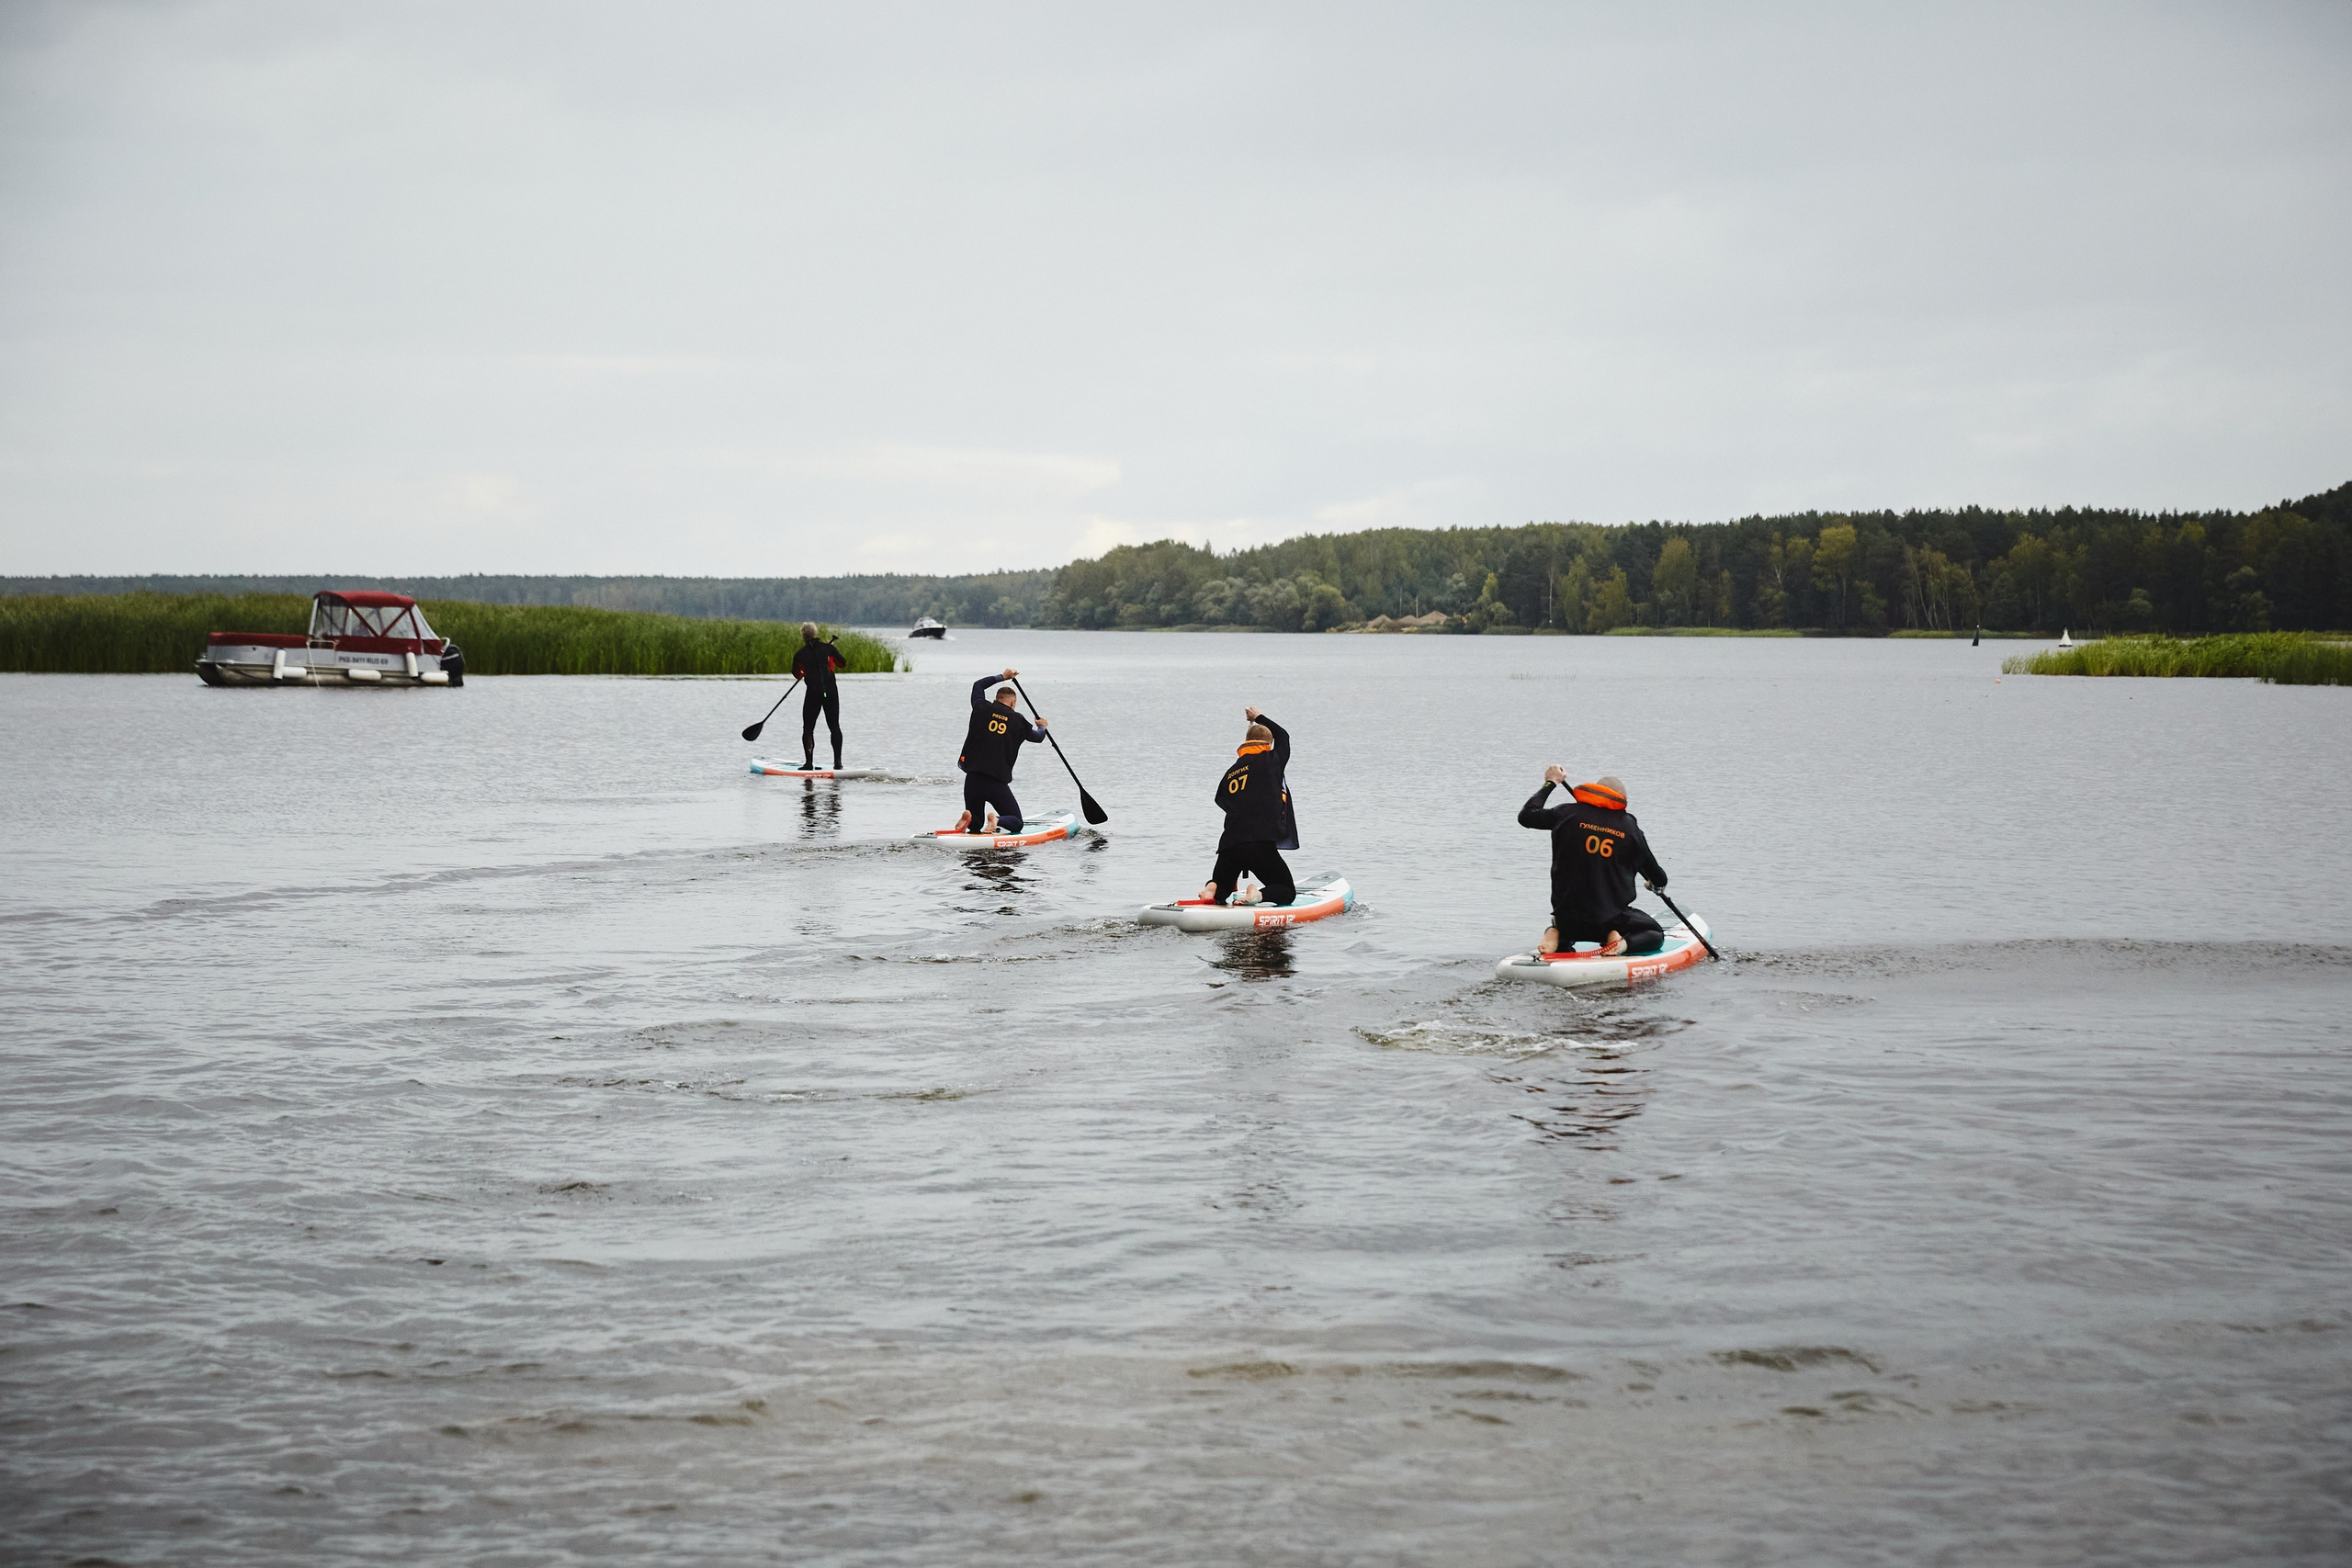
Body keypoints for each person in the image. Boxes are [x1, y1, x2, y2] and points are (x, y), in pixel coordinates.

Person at [1517, 768, 1669, 956]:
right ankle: (1619, 943)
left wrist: (1551, 782)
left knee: (1565, 926)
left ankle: (1556, 934)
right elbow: (1660, 878)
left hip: (1566, 919)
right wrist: (1652, 883)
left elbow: (1526, 816)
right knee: (1655, 933)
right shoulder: (1630, 829)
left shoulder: (1567, 813)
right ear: (1621, 801)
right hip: (1609, 921)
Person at [1199, 706, 1296, 907]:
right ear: (1268, 744)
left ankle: (1212, 888)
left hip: (1230, 844)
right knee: (1286, 890)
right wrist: (1258, 717)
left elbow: (1221, 799)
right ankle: (1257, 894)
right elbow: (1283, 736)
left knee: (1222, 891)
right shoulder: (1272, 760)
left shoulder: (1232, 771)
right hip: (1259, 843)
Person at [954, 668, 1048, 832]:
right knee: (1016, 822)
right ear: (1012, 703)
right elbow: (1038, 737)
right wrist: (1042, 727)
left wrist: (1003, 677)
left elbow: (978, 685)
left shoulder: (981, 707)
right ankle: (996, 820)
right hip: (995, 782)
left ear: (996, 699)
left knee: (976, 824)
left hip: (972, 778)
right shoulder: (1018, 721)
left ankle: (969, 818)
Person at [791, 622, 845, 771]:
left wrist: (807, 670)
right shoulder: (828, 649)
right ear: (815, 634)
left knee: (808, 728)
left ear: (803, 636)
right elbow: (842, 663)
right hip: (830, 692)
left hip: (813, 694)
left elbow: (797, 674)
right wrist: (830, 653)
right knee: (834, 726)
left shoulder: (800, 654)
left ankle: (809, 763)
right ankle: (838, 763)